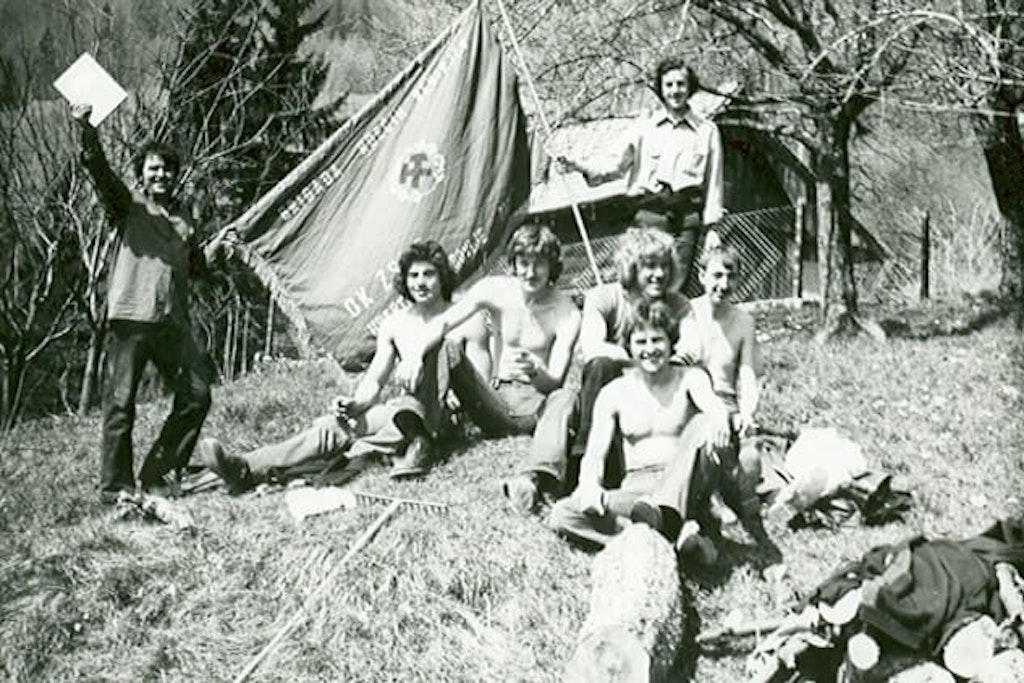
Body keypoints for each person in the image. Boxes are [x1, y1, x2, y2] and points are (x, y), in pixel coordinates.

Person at [199, 240, 486, 489]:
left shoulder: (464, 318)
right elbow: (374, 381)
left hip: (448, 416)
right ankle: (244, 467)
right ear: (404, 281)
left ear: (443, 276)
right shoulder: (395, 324)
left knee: (387, 424)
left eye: (429, 274)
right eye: (413, 276)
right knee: (334, 426)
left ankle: (359, 455)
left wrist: (451, 404)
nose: (420, 282)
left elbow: (480, 384)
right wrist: (355, 404)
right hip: (405, 412)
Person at [72, 102, 219, 503]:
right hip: (131, 319)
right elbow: (100, 174)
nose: (161, 174)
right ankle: (115, 490)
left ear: (176, 176)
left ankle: (158, 474)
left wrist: (221, 251)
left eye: (168, 169)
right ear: (142, 174)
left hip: (173, 323)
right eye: (153, 168)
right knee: (121, 405)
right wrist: (88, 132)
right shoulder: (128, 206)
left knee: (197, 396)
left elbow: (197, 268)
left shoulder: (187, 218)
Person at [504, 227, 691, 513]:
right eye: (650, 266)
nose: (659, 274)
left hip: (655, 402)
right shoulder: (604, 297)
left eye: (665, 266)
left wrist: (641, 365)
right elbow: (593, 348)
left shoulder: (678, 305)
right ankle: (560, 471)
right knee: (591, 375)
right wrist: (643, 361)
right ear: (631, 267)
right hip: (604, 400)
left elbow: (691, 351)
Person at [395, 222, 581, 483]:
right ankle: (419, 439)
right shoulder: (494, 289)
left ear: (552, 266)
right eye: (523, 263)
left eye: (539, 263)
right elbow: (444, 322)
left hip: (535, 408)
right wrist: (414, 356)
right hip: (493, 402)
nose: (530, 272)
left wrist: (536, 371)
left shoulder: (567, 312)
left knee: (566, 396)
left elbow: (556, 381)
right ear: (513, 264)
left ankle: (542, 474)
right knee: (445, 344)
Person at [547, 299, 731, 557]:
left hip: (687, 484)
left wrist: (720, 419)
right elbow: (595, 454)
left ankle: (660, 526)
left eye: (657, 340)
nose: (650, 350)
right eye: (641, 342)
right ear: (629, 347)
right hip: (637, 493)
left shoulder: (691, 378)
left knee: (702, 422)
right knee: (563, 514)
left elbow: (714, 406)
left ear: (671, 342)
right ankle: (669, 540)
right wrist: (589, 485)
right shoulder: (614, 393)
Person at [558, 56, 724, 291]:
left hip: (687, 221)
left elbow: (714, 184)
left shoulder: (707, 131)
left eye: (680, 84)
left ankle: (670, 328)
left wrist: (712, 229)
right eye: (669, 85)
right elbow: (614, 164)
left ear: (690, 88)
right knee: (646, 283)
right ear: (660, 89)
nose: (675, 91)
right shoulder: (645, 127)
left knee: (676, 288)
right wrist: (578, 165)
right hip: (650, 215)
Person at [676, 242, 779, 560]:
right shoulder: (687, 311)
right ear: (702, 275)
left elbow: (748, 373)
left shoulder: (743, 321)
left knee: (749, 454)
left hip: (728, 401)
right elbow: (684, 365)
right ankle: (712, 500)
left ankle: (738, 494)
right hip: (692, 399)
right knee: (708, 434)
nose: (723, 284)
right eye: (716, 275)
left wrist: (748, 412)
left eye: (730, 276)